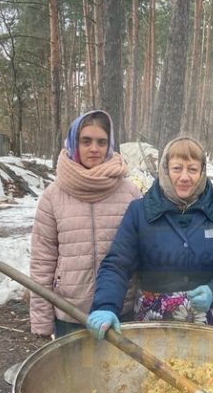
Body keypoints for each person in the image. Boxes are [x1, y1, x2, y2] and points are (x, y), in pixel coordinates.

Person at [87, 136, 213, 337]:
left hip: (212, 324)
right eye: (177, 168)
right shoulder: (140, 212)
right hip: (155, 323)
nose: (185, 177)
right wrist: (105, 305)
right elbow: (116, 265)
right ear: (165, 170)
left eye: (192, 169)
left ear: (202, 172)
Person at [29, 110, 141, 338]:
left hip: (119, 311)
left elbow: (141, 253)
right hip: (71, 313)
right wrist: (41, 321)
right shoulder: (53, 196)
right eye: (86, 141)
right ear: (73, 143)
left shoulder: (130, 193)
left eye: (102, 142)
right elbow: (43, 260)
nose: (94, 148)